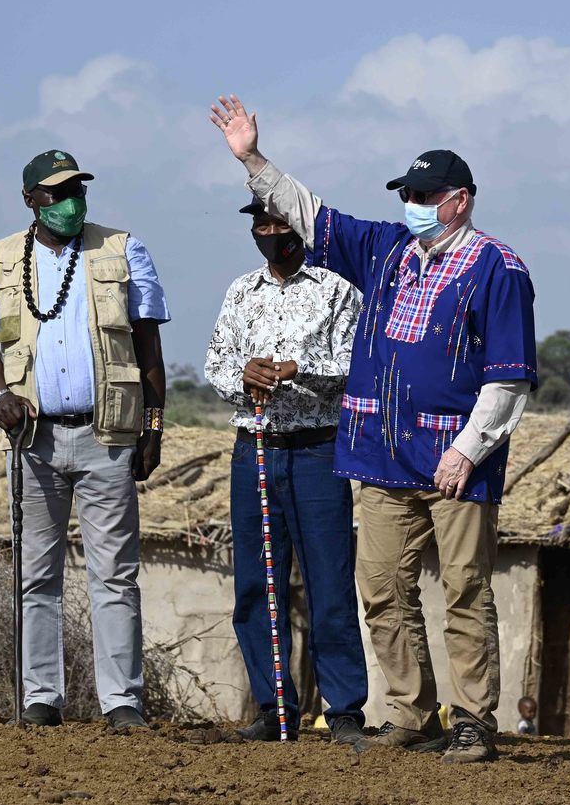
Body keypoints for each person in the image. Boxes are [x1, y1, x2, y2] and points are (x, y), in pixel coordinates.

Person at [210, 94, 538, 764]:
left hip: (453, 460)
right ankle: (412, 711)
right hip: (380, 456)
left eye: (425, 193)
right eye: (407, 192)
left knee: (466, 589)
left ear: (462, 200)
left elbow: (508, 378)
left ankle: (473, 716)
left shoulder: (498, 269)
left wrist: (468, 450)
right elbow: (312, 214)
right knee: (384, 589)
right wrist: (253, 159)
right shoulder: (387, 248)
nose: (412, 202)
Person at [0, 150, 169, 730]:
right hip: (34, 439)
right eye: (58, 193)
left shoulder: (122, 248)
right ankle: (41, 698)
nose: (72, 201)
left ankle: (123, 701)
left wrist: (151, 429)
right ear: (32, 200)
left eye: (78, 189)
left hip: (108, 435)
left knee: (115, 574)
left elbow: (149, 347)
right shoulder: (0, 261)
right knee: (37, 574)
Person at [205, 196, 367, 745]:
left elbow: (353, 366)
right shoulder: (239, 292)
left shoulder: (337, 290)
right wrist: (243, 373)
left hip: (318, 450)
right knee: (258, 585)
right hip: (253, 446)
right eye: (260, 224)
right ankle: (275, 709)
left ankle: (344, 711)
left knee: (329, 580)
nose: (270, 232)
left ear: (299, 228)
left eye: (279, 222)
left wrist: (302, 370)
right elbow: (215, 363)